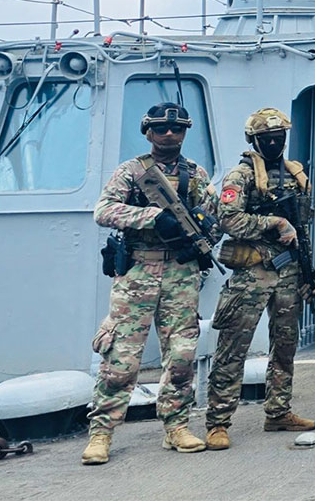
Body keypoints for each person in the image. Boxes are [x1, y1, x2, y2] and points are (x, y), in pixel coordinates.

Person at [82, 102, 216, 465]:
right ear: (148, 132)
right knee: (122, 358)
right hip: (139, 271)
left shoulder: (195, 174)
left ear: (185, 133)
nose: (169, 134)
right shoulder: (131, 171)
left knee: (182, 355)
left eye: (176, 129)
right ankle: (101, 432)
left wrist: (200, 231)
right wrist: (153, 217)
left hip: (180, 271)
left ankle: (176, 426)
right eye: (160, 128)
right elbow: (104, 210)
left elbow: (212, 217)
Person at [203, 108, 315, 448]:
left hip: (288, 270)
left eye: (278, 137)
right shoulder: (240, 176)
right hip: (253, 272)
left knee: (286, 344)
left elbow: (302, 229)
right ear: (253, 140)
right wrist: (273, 223)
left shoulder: (295, 174)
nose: (273, 143)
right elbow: (228, 220)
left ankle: (278, 411)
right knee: (233, 346)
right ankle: (218, 422)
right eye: (266, 139)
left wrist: (307, 272)